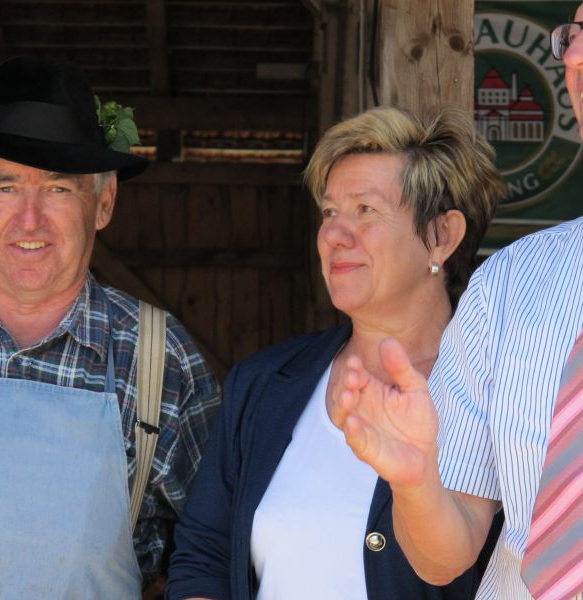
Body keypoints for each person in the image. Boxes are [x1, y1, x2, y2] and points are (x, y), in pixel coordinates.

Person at [334, 1, 583, 599]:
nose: (577, 55)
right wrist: (415, 483)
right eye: (573, 36)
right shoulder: (510, 281)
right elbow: (443, 559)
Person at [0, 56, 220, 598]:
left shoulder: (160, 360)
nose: (30, 219)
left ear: (104, 203)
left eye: (58, 189)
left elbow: (216, 551)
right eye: (5, 187)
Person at [166, 106, 505, 600]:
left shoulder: (497, 389)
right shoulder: (262, 384)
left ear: (441, 237)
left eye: (365, 210)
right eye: (329, 213)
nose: (333, 235)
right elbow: (204, 556)